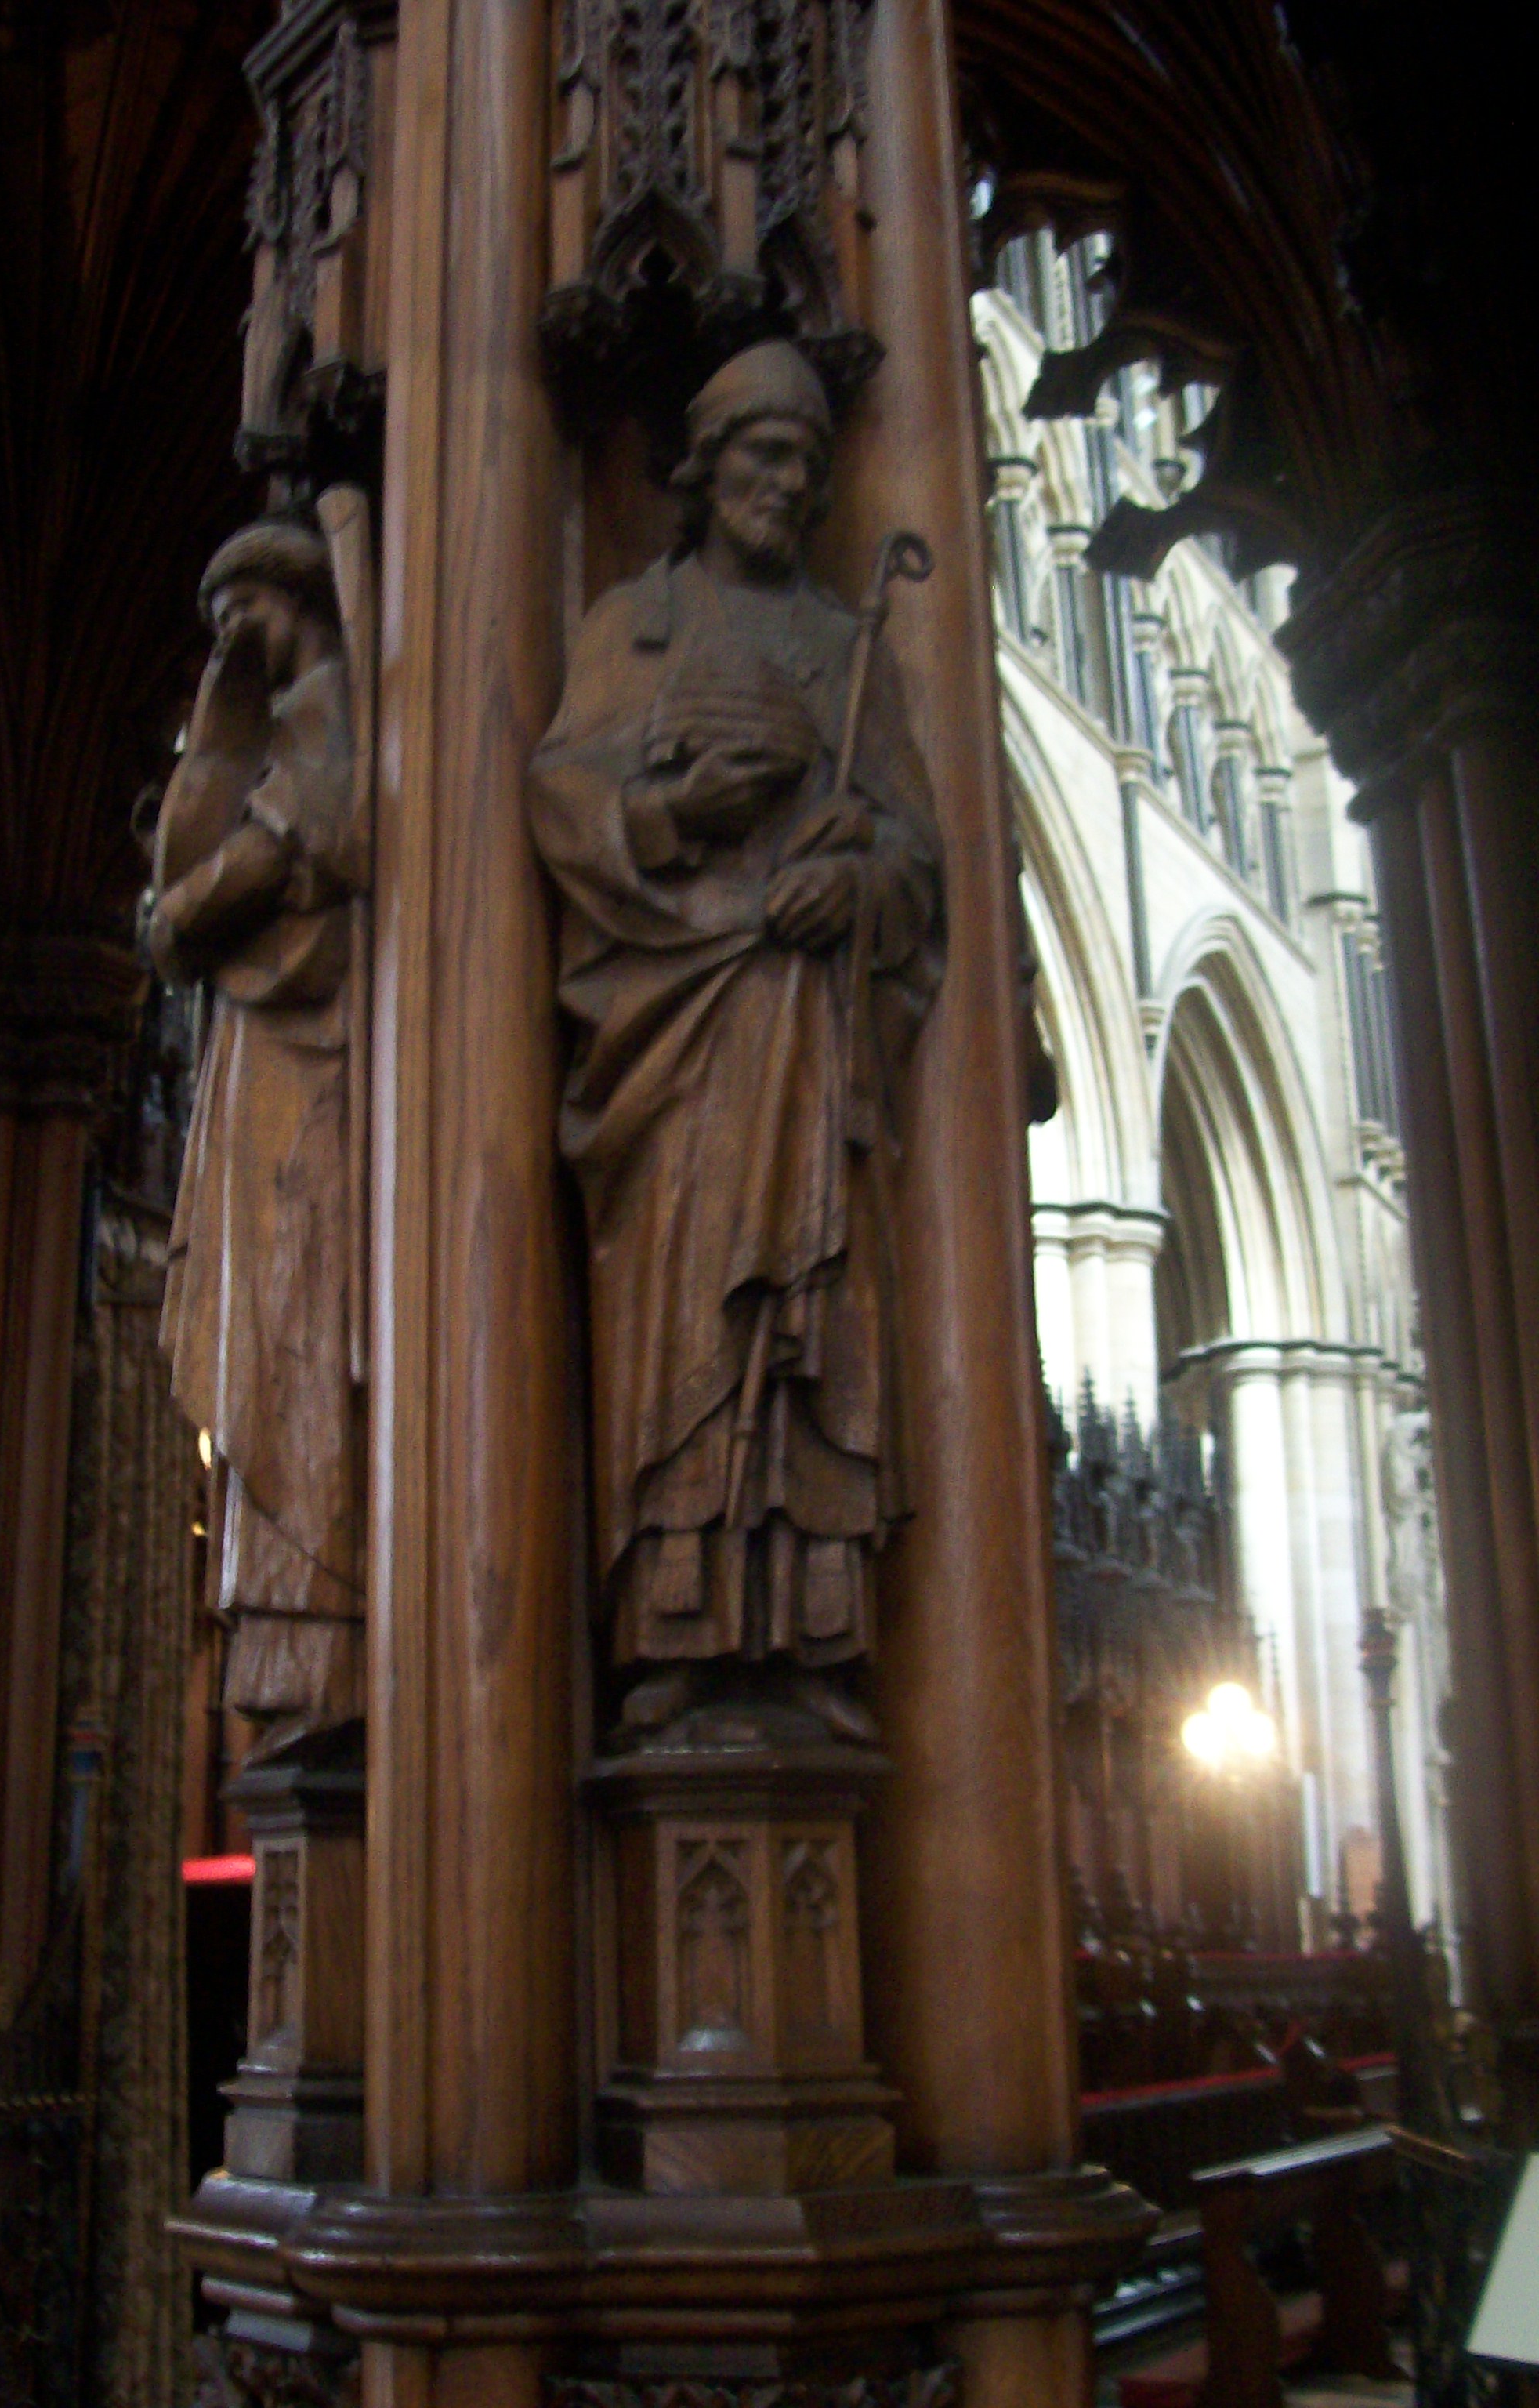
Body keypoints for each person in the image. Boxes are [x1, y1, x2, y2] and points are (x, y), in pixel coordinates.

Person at [529, 341, 943, 1738]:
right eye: (765, 454)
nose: (789, 483)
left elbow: (920, 853)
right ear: (706, 469)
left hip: (811, 1033)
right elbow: (561, 801)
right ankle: (681, 1622)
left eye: (810, 463)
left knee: (810, 1322)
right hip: (676, 1040)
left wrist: (859, 883)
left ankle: (811, 1632)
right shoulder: (634, 626)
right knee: (681, 1321)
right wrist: (675, 815)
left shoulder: (845, 647)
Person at [151, 519, 368, 1748]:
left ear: (297, 600)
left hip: (315, 1076)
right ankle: (290, 1607)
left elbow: (294, 845)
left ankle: (323, 1607)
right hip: (259, 1065)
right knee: (264, 1329)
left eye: (244, 614)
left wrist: (188, 907)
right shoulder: (275, 721)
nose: (230, 643)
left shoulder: (331, 707)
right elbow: (200, 865)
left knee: (293, 1320)